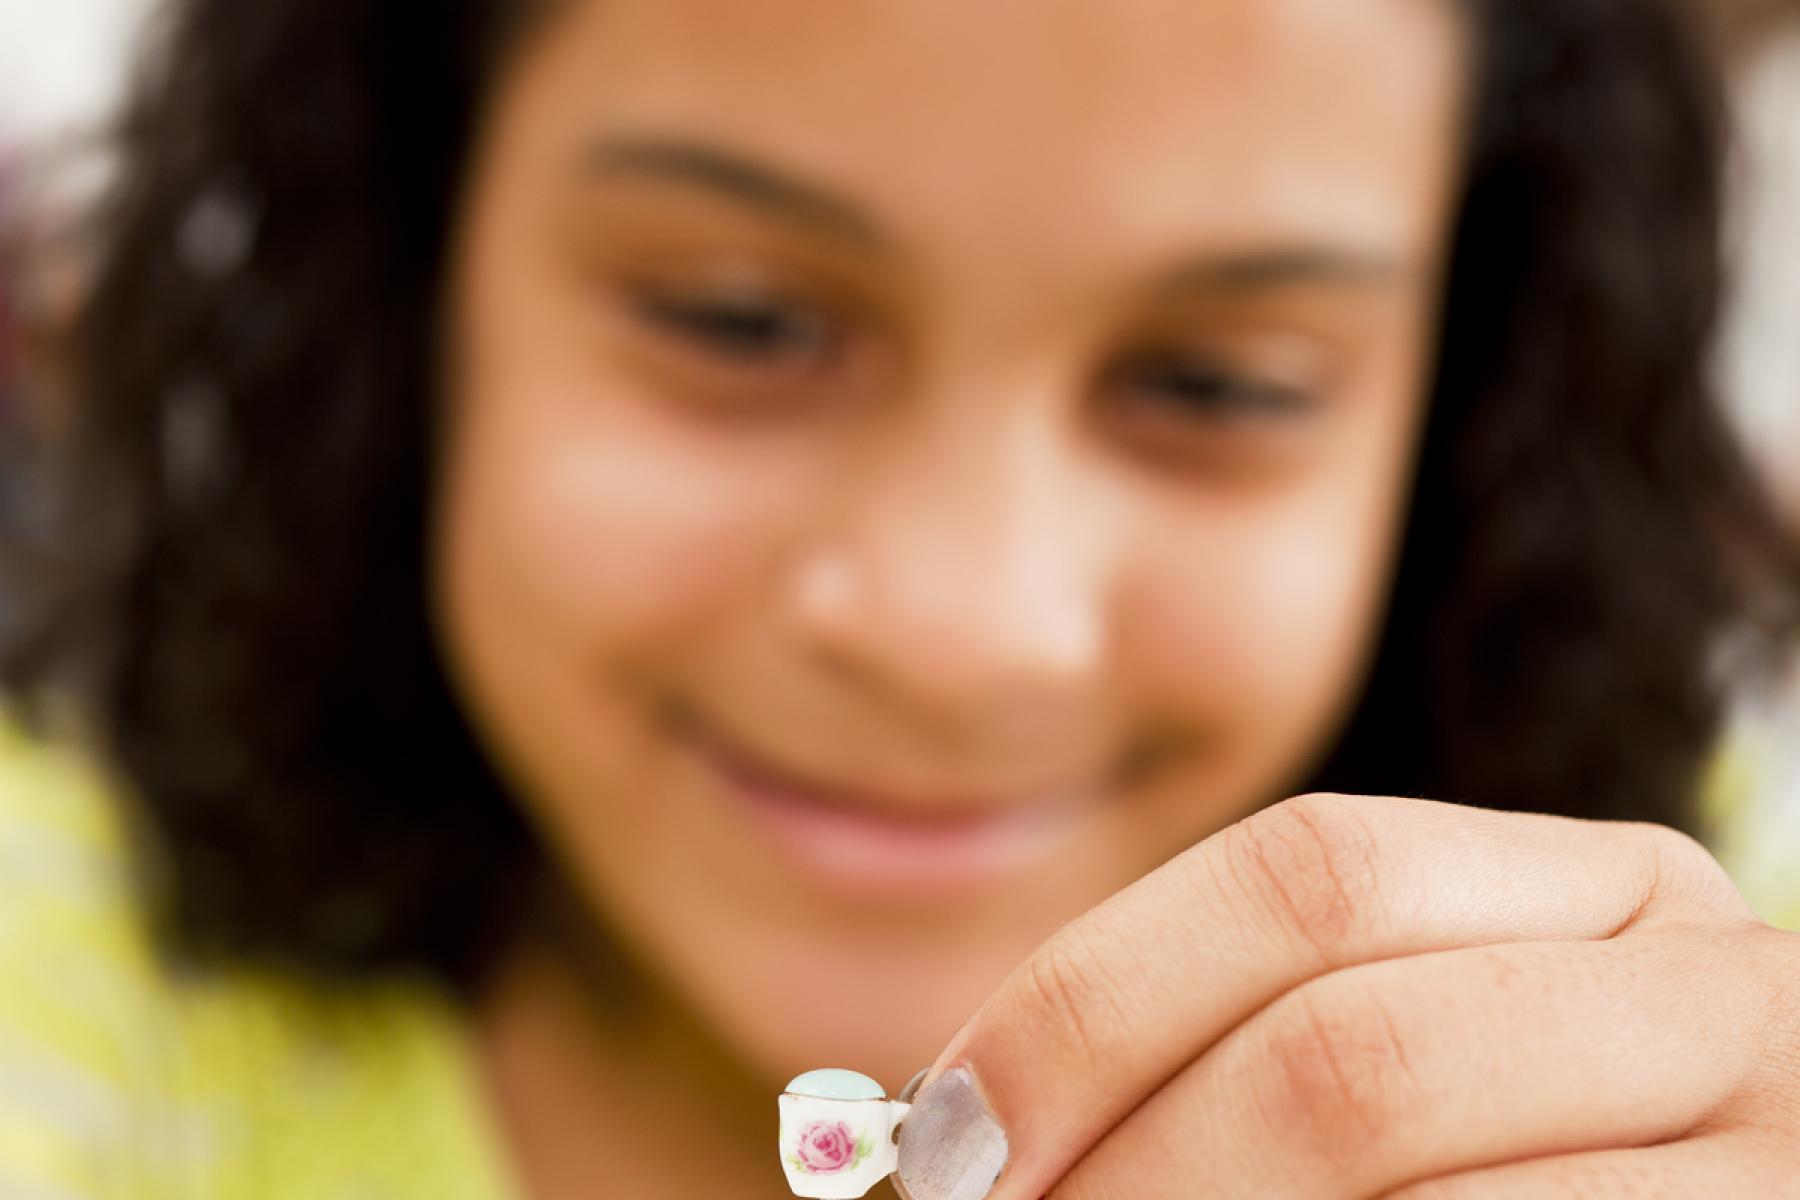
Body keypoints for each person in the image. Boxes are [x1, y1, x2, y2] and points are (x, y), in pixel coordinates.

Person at [2, 0, 1798, 1196]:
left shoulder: (1701, 977)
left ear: (1473, 393)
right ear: (402, 292)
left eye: (1221, 382)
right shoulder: (51, 1010)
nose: (963, 629)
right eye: (738, 318)